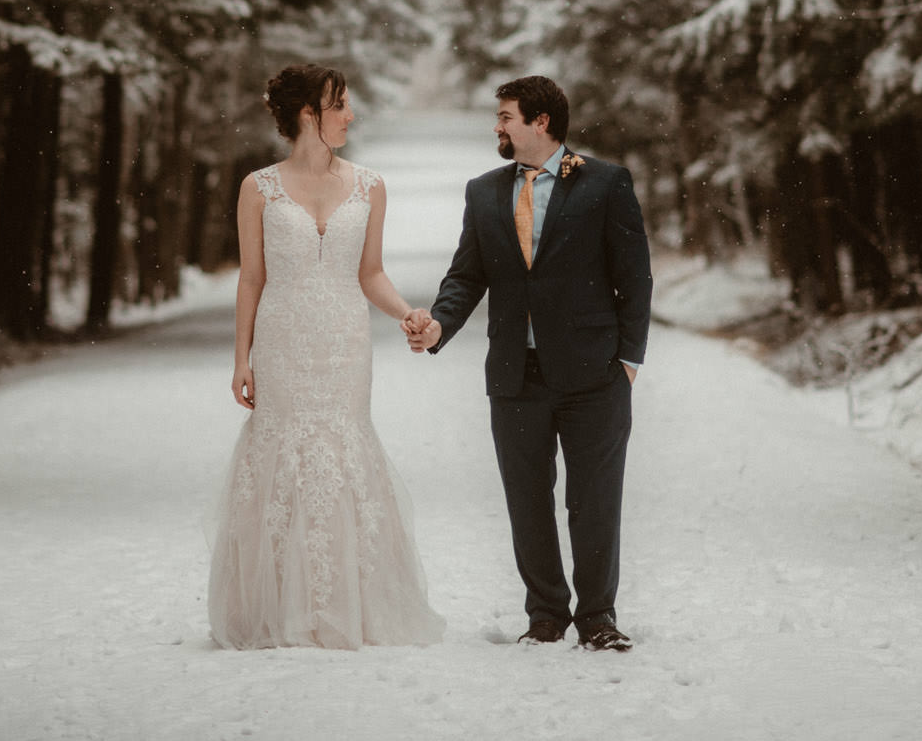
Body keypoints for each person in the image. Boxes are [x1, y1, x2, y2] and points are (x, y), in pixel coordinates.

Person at [404, 75, 651, 652]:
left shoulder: (605, 182)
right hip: (516, 373)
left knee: (594, 500)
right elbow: (467, 275)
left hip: (595, 374)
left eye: (507, 116)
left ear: (541, 121)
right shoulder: (484, 191)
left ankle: (597, 617)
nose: (498, 126)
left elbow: (633, 275)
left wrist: (630, 361)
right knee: (527, 499)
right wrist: (439, 325)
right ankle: (545, 614)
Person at [209, 64, 444, 650]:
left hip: (344, 338)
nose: (350, 115)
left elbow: (370, 272)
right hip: (284, 337)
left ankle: (348, 602)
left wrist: (407, 313)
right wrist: (242, 359)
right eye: (341, 105)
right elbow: (251, 280)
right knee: (283, 448)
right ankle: (277, 604)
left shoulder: (370, 186)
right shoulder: (257, 187)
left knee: (342, 447)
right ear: (309, 112)